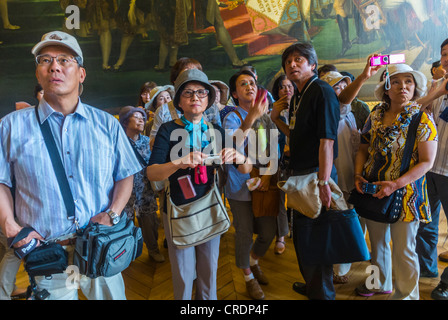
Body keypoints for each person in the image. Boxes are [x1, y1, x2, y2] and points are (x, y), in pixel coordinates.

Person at [0, 30, 142, 300]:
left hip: (101, 249)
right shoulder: (11, 126)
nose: (54, 66)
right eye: (45, 60)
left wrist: (113, 213)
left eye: (65, 59)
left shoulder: (107, 124)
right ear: (38, 73)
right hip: (47, 255)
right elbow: (1, 180)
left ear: (81, 74)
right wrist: (9, 224)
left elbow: (126, 174)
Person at [146, 68, 250, 300]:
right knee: (183, 276)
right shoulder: (168, 129)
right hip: (177, 209)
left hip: (209, 208)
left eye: (201, 93)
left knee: (209, 273)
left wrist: (239, 157)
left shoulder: (215, 130)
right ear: (179, 101)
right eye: (188, 93)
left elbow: (245, 169)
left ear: (209, 99)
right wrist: (179, 162)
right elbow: (152, 173)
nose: (195, 98)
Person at [349, 61, 440, 299]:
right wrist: (358, 174)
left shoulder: (422, 119)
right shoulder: (375, 115)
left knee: (404, 250)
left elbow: (426, 162)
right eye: (396, 82)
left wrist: (395, 185)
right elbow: (363, 148)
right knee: (376, 247)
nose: (403, 86)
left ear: (415, 87)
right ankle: (377, 282)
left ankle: (406, 296)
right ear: (386, 88)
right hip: (372, 191)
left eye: (408, 81)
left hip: (406, 197)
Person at [270, 42, 340, 300]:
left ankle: (322, 293)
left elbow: (327, 142)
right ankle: (314, 286)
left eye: (299, 59)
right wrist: (276, 119)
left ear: (313, 64)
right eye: (288, 62)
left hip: (316, 176)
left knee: (317, 240)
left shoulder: (321, 90)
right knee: (304, 239)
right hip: (302, 175)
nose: (292, 64)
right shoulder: (299, 94)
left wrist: (323, 182)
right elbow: (298, 136)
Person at [223, 69, 278, 300]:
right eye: (243, 84)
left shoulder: (265, 116)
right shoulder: (231, 117)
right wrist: (251, 117)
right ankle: (248, 277)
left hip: (264, 181)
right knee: (244, 233)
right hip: (240, 185)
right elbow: (233, 145)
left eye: (252, 83)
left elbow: (272, 149)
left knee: (268, 232)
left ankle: (253, 260)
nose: (249, 87)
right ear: (235, 94)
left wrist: (267, 176)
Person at [419, 39, 448, 298]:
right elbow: (416, 112)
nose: (446, 58)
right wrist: (435, 94)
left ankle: (447, 283)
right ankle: (426, 267)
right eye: (444, 54)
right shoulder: (435, 86)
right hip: (429, 167)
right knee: (425, 219)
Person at [118, 106, 164, 263]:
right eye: (136, 117)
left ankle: (153, 250)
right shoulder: (117, 143)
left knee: (150, 223)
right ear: (125, 121)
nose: (141, 120)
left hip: (145, 191)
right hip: (124, 194)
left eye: (143, 118)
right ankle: (125, 255)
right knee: (125, 225)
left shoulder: (147, 142)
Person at [270, 74, 296, 255]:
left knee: (297, 196)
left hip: (298, 160)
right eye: (282, 87)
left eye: (289, 86)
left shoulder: (300, 107)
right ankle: (280, 235)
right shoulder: (271, 112)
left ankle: (295, 229)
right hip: (279, 160)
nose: (286, 89)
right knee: (279, 198)